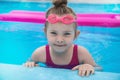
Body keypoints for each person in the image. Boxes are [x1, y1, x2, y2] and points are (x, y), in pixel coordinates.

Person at [24, 0, 102, 76]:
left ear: (76, 35)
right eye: (53, 33)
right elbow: (27, 64)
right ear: (45, 32)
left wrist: (89, 66)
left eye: (67, 34)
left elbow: (99, 68)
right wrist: (30, 64)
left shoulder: (81, 53)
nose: (60, 40)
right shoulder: (39, 54)